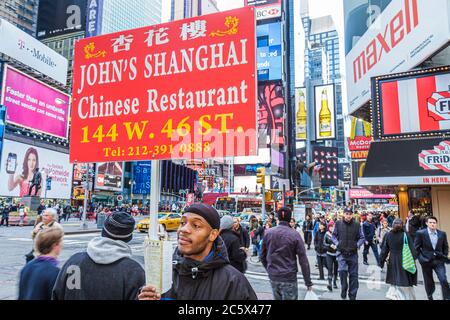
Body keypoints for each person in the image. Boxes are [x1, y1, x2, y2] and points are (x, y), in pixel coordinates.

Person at [138, 204, 257, 300]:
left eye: (196, 225)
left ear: (213, 234)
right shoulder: (161, 272)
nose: (184, 229)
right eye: (183, 223)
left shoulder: (234, 283)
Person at [52, 211, 145, 300]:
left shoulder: (74, 261)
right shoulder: (134, 271)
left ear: (103, 231)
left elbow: (56, 294)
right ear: (129, 238)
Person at [260, 207, 313, 300]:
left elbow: (262, 255)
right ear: (289, 218)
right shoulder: (294, 234)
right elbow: (303, 260)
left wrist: (269, 269)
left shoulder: (268, 233)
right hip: (289, 276)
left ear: (278, 218)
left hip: (274, 275)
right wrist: (307, 281)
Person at [18, 227, 64, 300]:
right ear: (55, 245)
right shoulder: (55, 272)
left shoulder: (28, 267)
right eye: (61, 241)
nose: (62, 244)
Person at [379, 219, 417, 300]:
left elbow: (384, 250)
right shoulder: (405, 235)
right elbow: (412, 249)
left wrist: (381, 262)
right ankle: (404, 297)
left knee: (395, 281)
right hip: (405, 260)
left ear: (392, 225)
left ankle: (397, 296)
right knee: (405, 281)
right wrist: (413, 260)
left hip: (393, 260)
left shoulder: (388, 235)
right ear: (402, 225)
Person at [332, 209, 365, 300]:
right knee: (342, 271)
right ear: (343, 214)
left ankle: (352, 296)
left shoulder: (357, 225)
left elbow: (362, 237)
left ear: (352, 215)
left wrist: (357, 245)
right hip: (341, 253)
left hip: (353, 254)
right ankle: (344, 289)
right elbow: (333, 236)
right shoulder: (338, 223)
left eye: (350, 214)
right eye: (347, 214)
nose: (348, 216)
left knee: (354, 276)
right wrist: (337, 243)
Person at [414, 216, 450, 300]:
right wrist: (421, 259)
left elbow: (445, 246)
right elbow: (416, 248)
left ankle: (447, 297)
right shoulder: (421, 233)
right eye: (430, 222)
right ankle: (430, 296)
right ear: (427, 223)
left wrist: (444, 256)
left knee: (443, 279)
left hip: (439, 261)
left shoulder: (442, 234)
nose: (432, 224)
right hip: (426, 261)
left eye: (434, 223)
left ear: (436, 224)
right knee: (428, 281)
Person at [324, 222, 338, 291]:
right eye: (330, 227)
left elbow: (340, 242)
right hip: (329, 253)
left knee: (336, 269)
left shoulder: (337, 234)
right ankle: (329, 284)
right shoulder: (326, 234)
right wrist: (330, 245)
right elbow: (324, 243)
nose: (332, 228)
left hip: (336, 254)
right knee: (330, 268)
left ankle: (334, 282)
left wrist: (337, 246)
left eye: (333, 227)